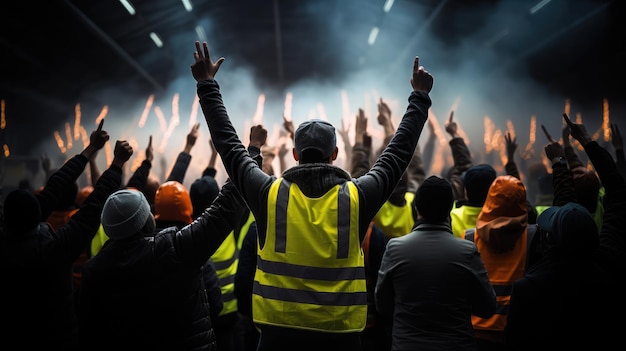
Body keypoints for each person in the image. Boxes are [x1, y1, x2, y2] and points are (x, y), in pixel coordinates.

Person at [191, 40, 434, 350]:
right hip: (341, 339)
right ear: (334, 153)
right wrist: (419, 97)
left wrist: (207, 85)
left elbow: (228, 147)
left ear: (294, 154)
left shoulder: (268, 194)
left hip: (277, 340)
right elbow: (398, 155)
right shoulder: (358, 197)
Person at [0, 121, 132, 350]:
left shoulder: (7, 239)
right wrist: (116, 163)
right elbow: (91, 208)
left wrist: (91, 151)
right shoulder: (53, 251)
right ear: (37, 215)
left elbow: (55, 189)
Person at [77, 175, 246, 350]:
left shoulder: (94, 271)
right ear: (143, 221)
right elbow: (225, 208)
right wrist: (252, 151)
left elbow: (90, 331)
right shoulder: (171, 249)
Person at [505, 114, 626, 349]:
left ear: (551, 236)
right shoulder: (612, 265)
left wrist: (560, 161)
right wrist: (584, 144)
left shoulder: (530, 287)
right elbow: (618, 190)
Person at [376, 175, 496, 350]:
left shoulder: (395, 249)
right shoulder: (467, 252)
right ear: (450, 208)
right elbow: (487, 308)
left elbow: (382, 306)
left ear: (417, 209)